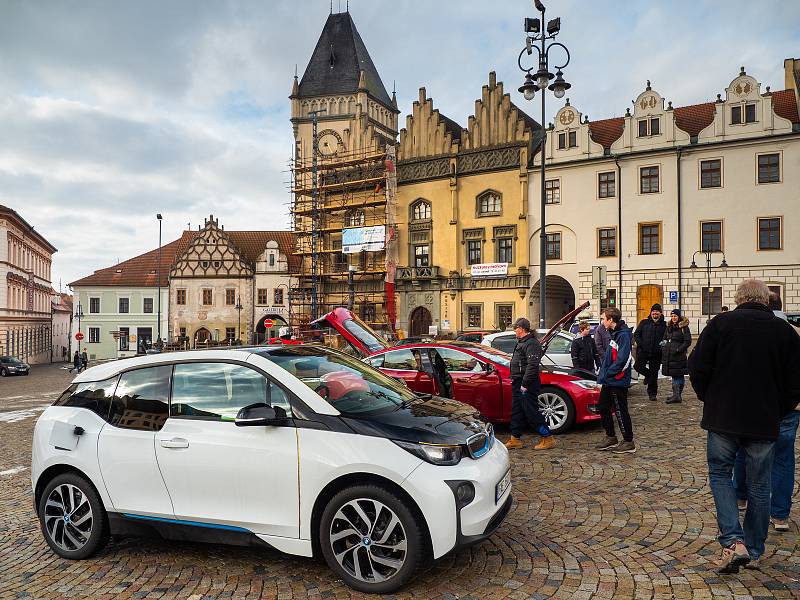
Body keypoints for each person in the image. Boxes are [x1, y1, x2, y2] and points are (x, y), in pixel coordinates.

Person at [689, 279, 800, 573]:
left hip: (723, 416)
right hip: (764, 420)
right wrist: (780, 409)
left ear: (738, 298)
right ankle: (753, 548)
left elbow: (697, 366)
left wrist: (708, 397)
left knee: (721, 475)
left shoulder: (720, 324)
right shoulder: (783, 331)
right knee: (760, 485)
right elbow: (795, 382)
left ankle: (733, 541)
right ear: (767, 300)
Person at [732, 291, 800, 534]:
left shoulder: (753, 329)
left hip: (754, 402)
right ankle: (780, 515)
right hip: (789, 407)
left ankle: (741, 497)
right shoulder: (793, 330)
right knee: (783, 458)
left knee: (743, 447)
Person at [505, 317, 555, 450]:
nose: (514, 331)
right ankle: (515, 438)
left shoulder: (531, 343)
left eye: (515, 328)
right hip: (518, 381)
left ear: (521, 329)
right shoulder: (522, 342)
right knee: (516, 411)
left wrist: (525, 385)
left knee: (531, 411)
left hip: (527, 383)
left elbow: (532, 366)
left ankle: (547, 437)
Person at [594, 306, 635, 453]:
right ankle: (611, 437)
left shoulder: (623, 335)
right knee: (603, 407)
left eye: (603, 319)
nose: (602, 321)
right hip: (609, 379)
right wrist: (603, 374)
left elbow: (624, 359)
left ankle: (628, 441)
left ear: (610, 320)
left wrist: (609, 373)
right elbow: (610, 357)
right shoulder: (614, 333)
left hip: (618, 380)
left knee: (620, 410)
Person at [633, 303, 667, 401]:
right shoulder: (644, 323)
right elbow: (637, 334)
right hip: (644, 350)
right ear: (651, 313)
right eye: (653, 311)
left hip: (657, 353)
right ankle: (648, 375)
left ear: (660, 313)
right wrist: (641, 344)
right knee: (637, 366)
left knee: (654, 373)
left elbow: (667, 337)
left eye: (657, 311)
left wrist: (662, 346)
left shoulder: (664, 325)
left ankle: (652, 394)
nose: (655, 313)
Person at [660, 309, 691, 404]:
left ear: (679, 317)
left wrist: (678, 349)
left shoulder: (684, 327)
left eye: (675, 316)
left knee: (677, 375)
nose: (673, 318)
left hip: (678, 355)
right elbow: (664, 338)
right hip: (669, 355)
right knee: (676, 375)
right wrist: (663, 346)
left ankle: (677, 396)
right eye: (672, 316)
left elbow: (687, 341)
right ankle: (677, 395)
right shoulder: (669, 326)